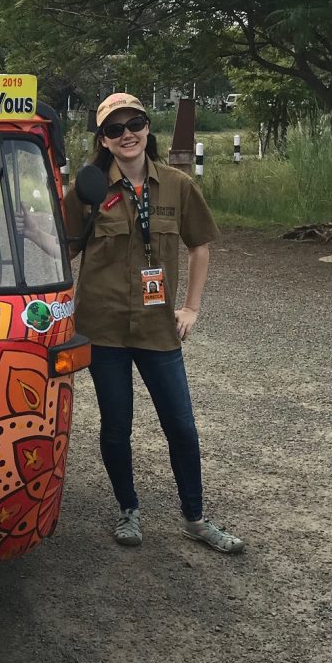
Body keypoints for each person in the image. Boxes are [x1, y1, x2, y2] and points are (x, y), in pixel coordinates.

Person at [62, 92, 244, 554]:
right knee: (116, 423)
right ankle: (129, 510)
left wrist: (192, 308)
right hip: (103, 328)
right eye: (114, 129)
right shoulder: (88, 189)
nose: (127, 135)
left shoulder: (178, 186)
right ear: (103, 139)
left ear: (148, 128)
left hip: (158, 328)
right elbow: (62, 253)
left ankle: (195, 518)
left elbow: (200, 245)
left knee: (181, 425)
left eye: (135, 124)